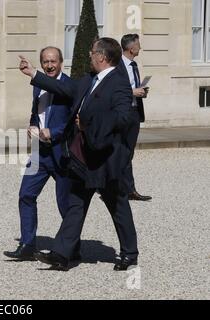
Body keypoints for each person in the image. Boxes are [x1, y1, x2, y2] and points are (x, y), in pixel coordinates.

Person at [19, 37, 139, 271]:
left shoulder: (119, 83)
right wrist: (33, 73)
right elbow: (63, 87)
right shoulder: (88, 80)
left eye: (92, 52)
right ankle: (62, 254)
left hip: (106, 159)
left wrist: (88, 124)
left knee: (117, 206)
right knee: (75, 205)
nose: (89, 55)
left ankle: (129, 253)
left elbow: (123, 119)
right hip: (82, 157)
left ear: (102, 57)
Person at [4, 47, 77, 261]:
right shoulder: (38, 87)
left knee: (65, 204)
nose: (50, 65)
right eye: (45, 61)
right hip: (39, 153)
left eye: (53, 61)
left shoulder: (69, 85)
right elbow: (36, 112)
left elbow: (70, 123)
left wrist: (52, 133)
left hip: (61, 152)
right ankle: (27, 245)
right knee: (26, 195)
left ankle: (71, 247)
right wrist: (32, 126)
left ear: (61, 62)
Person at [119, 34, 152, 201]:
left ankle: (128, 189)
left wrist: (141, 92)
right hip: (121, 113)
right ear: (131, 48)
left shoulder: (134, 65)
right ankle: (119, 189)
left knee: (128, 152)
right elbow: (112, 89)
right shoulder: (117, 65)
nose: (140, 47)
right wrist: (132, 92)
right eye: (138, 45)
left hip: (134, 112)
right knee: (121, 152)